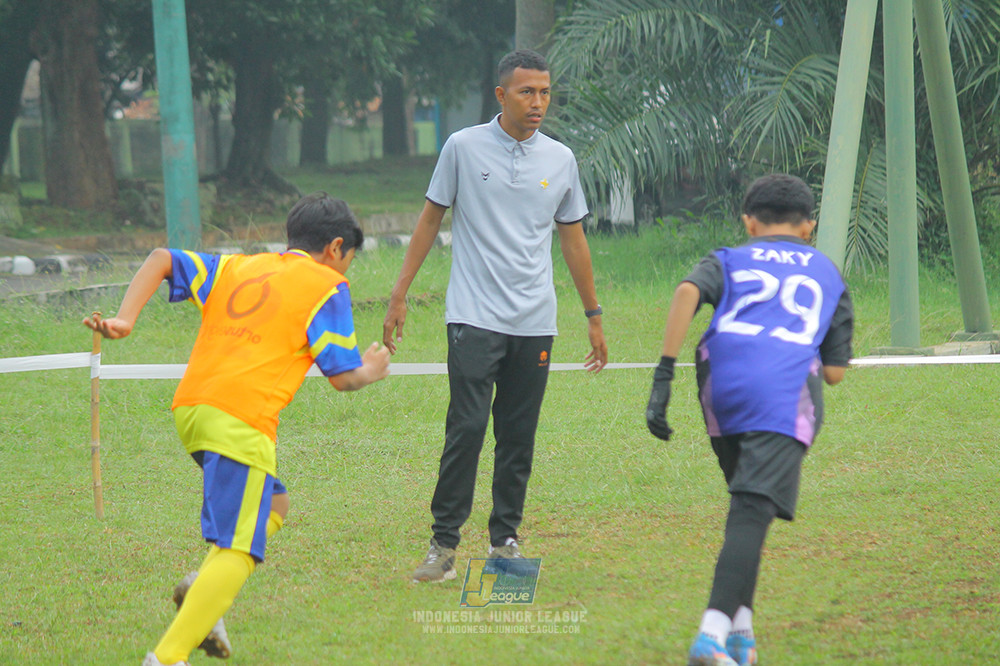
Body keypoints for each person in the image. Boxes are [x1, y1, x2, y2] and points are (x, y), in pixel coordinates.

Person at [84, 193, 391, 666]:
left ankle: (200, 588)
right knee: (241, 547)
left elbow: (162, 258)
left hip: (193, 409)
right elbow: (343, 376)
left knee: (276, 503)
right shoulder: (327, 286)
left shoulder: (240, 266)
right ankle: (166, 659)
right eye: (347, 261)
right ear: (335, 248)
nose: (345, 271)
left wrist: (125, 318)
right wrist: (371, 368)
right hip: (240, 419)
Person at [382, 49, 609, 583]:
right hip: (473, 315)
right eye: (527, 92)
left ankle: (505, 539)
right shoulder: (462, 147)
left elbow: (574, 241)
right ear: (501, 94)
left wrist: (593, 315)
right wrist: (399, 293)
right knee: (466, 428)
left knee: (517, 434)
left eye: (546, 92)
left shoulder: (561, 159)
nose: (539, 102)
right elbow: (428, 221)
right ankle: (443, 545)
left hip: (536, 320)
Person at [645, 174, 854, 666]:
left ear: (749, 222)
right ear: (810, 227)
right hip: (782, 397)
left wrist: (663, 376)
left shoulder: (729, 258)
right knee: (750, 512)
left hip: (721, 386)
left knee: (749, 510)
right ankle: (711, 632)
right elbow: (835, 373)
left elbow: (686, 292)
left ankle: (742, 634)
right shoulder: (828, 272)